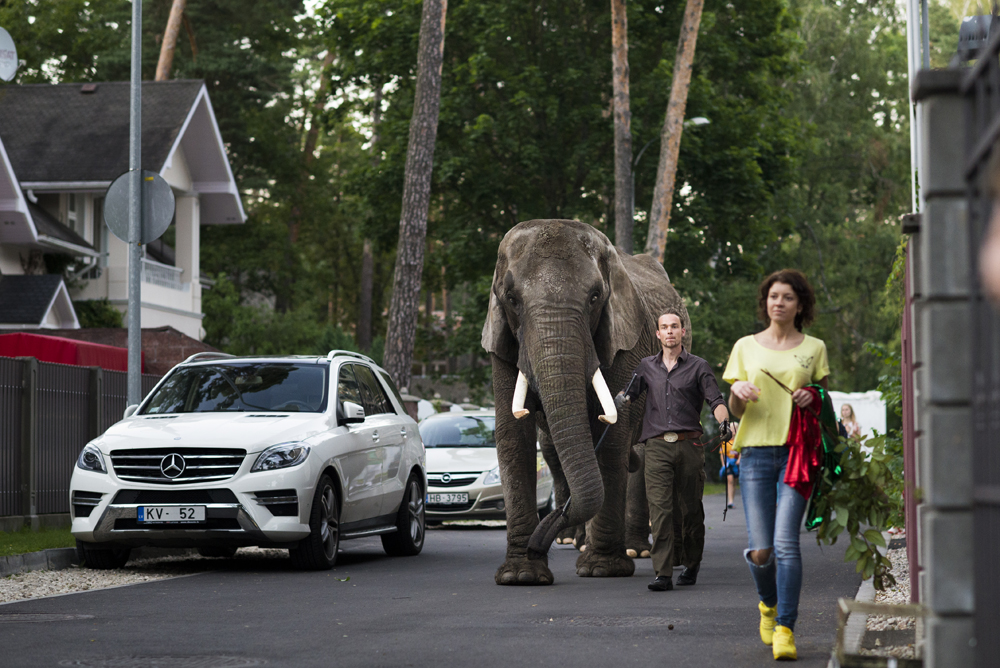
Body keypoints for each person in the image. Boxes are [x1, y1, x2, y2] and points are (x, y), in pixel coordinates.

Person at [724, 269, 829, 661]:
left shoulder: (814, 348)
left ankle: (785, 626)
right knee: (760, 551)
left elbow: (824, 402)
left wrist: (812, 396)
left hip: (797, 455)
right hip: (753, 454)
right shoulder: (745, 347)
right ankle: (767, 604)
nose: (779, 302)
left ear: (800, 304)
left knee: (787, 545)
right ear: (765, 302)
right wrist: (736, 392)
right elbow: (734, 410)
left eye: (787, 297)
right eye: (773, 296)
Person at [615, 309, 731, 592]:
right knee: (661, 510)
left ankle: (691, 564)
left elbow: (716, 401)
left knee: (691, 510)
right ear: (658, 334)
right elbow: (629, 393)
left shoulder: (699, 366)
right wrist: (619, 400)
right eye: (664, 327)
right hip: (655, 447)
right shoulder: (646, 366)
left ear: (682, 332)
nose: (669, 331)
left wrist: (725, 421)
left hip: (690, 445)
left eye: (674, 326)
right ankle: (663, 573)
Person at [719, 421, 740, 509]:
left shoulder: (739, 441)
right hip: (728, 463)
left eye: (735, 429)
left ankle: (732, 499)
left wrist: (739, 460)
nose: (734, 431)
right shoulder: (725, 441)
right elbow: (722, 454)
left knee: (734, 481)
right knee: (730, 480)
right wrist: (724, 464)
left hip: (736, 463)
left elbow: (741, 451)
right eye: (732, 429)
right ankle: (730, 501)